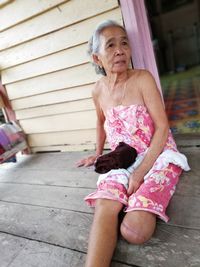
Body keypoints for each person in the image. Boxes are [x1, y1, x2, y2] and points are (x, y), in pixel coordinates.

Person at [77, 20, 190, 267]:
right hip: (122, 156)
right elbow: (100, 123)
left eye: (124, 43)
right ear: (97, 58)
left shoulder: (143, 79)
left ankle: (135, 204)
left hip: (157, 152)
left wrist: (140, 173)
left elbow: (162, 128)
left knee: (134, 231)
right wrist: (97, 154)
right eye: (111, 45)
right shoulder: (98, 90)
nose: (120, 50)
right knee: (106, 204)